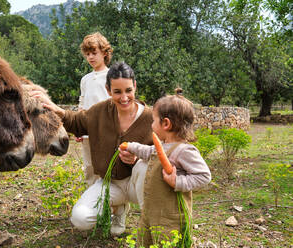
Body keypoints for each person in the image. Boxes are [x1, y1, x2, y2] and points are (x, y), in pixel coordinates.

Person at [30, 62, 153, 236]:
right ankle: (118, 209)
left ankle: (149, 223)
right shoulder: (101, 111)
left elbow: (162, 153)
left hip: (138, 186)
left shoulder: (150, 118)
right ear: (108, 90)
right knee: (80, 218)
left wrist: (137, 158)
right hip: (111, 184)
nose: (124, 97)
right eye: (117, 92)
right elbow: (77, 121)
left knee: (144, 166)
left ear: (134, 86)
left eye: (128, 90)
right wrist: (56, 109)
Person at [121, 89, 211, 247]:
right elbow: (148, 152)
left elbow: (204, 176)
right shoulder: (161, 146)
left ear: (166, 123)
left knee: (166, 243)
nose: (151, 125)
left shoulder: (184, 151)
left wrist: (177, 182)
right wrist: (131, 146)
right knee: (144, 242)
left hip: (170, 218)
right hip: (150, 213)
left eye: (153, 120)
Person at [77, 32, 113, 186]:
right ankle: (91, 203)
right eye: (87, 54)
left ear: (104, 53)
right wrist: (78, 127)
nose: (90, 57)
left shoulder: (112, 75)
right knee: (90, 167)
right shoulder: (85, 79)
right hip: (88, 131)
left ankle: (113, 204)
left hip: (107, 129)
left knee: (108, 165)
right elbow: (82, 103)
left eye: (94, 53)